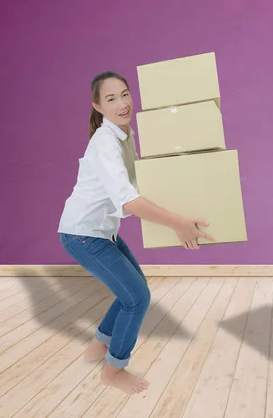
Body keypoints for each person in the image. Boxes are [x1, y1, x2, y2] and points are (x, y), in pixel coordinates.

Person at [57, 71, 215, 395]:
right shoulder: (105, 142)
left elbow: (142, 185)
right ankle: (113, 371)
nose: (122, 103)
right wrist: (175, 222)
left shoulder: (126, 137)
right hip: (83, 234)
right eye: (112, 98)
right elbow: (128, 201)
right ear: (97, 106)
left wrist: (183, 209)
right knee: (138, 298)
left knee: (134, 290)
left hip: (101, 232)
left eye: (125, 94)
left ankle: (100, 346)